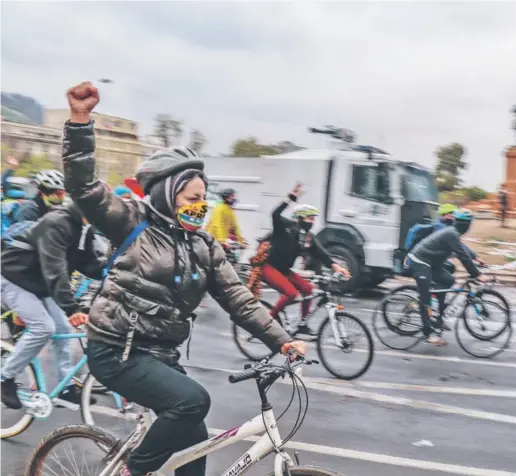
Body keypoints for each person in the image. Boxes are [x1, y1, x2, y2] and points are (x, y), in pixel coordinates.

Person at [62, 81, 304, 476]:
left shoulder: (204, 246)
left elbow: (239, 299)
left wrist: (282, 340)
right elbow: (84, 187)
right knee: (193, 401)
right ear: (165, 194)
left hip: (162, 355)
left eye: (203, 198)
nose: (200, 206)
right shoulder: (130, 223)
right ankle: (132, 472)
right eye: (191, 198)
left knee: (193, 450)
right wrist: (79, 121)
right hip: (116, 350)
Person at [0, 200, 104, 408]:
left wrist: (114, 271)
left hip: (38, 283)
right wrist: (72, 308)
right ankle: (5, 378)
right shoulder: (56, 223)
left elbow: (89, 264)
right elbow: (55, 269)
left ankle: (65, 387)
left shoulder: (84, 228)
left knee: (62, 328)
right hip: (14, 278)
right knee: (43, 327)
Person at [260, 184, 349, 335]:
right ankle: (269, 320)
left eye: (314, 218)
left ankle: (302, 325)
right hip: (269, 267)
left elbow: (322, 254)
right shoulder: (286, 227)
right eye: (309, 218)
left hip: (284, 270)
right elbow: (275, 214)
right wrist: (290, 198)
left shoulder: (307, 237)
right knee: (292, 294)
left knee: (308, 289)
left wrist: (336, 267)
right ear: (300, 218)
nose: (312, 221)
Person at [407, 209, 484, 346]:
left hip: (431, 263)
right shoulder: (451, 233)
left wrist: (476, 260)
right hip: (419, 262)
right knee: (426, 299)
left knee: (448, 280)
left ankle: (437, 318)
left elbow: (462, 250)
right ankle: (428, 333)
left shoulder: (453, 233)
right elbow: (462, 255)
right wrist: (477, 274)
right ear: (465, 225)